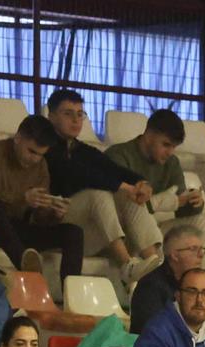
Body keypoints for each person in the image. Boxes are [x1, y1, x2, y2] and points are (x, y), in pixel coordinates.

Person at [42, 88, 159, 286]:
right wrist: (123, 186)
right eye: (68, 114)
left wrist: (141, 183)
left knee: (127, 196)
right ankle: (127, 264)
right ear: (51, 116)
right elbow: (79, 174)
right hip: (56, 229)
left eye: (80, 114)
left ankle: (156, 264)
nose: (76, 120)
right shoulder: (45, 147)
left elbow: (115, 171)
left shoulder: (84, 151)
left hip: (88, 232)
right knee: (98, 194)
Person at [0, 114, 85, 281]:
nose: (34, 159)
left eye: (40, 154)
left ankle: (72, 290)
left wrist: (53, 213)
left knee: (73, 232)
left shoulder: (40, 166)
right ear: (18, 138)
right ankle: (27, 267)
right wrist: (21, 198)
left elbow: (38, 218)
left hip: (13, 229)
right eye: (31, 151)